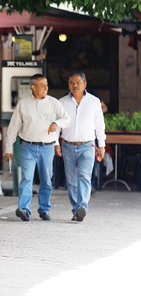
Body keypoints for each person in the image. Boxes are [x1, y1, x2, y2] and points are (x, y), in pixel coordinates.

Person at [5, 74, 70, 222]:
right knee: (26, 179)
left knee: (46, 180)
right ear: (33, 87)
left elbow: (67, 119)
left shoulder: (53, 103)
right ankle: (24, 209)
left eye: (47, 85)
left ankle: (44, 209)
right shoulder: (23, 104)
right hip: (27, 146)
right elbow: (13, 127)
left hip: (47, 148)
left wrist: (56, 124)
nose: (46, 88)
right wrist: (8, 148)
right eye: (42, 85)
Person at [56, 72, 106, 222]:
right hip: (67, 146)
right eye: (71, 82)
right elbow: (57, 125)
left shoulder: (94, 102)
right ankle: (77, 209)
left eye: (78, 82)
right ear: (68, 85)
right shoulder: (62, 102)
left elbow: (99, 125)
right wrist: (55, 143)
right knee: (71, 181)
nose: (75, 85)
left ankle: (82, 206)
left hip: (88, 146)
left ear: (85, 84)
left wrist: (101, 145)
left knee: (84, 176)